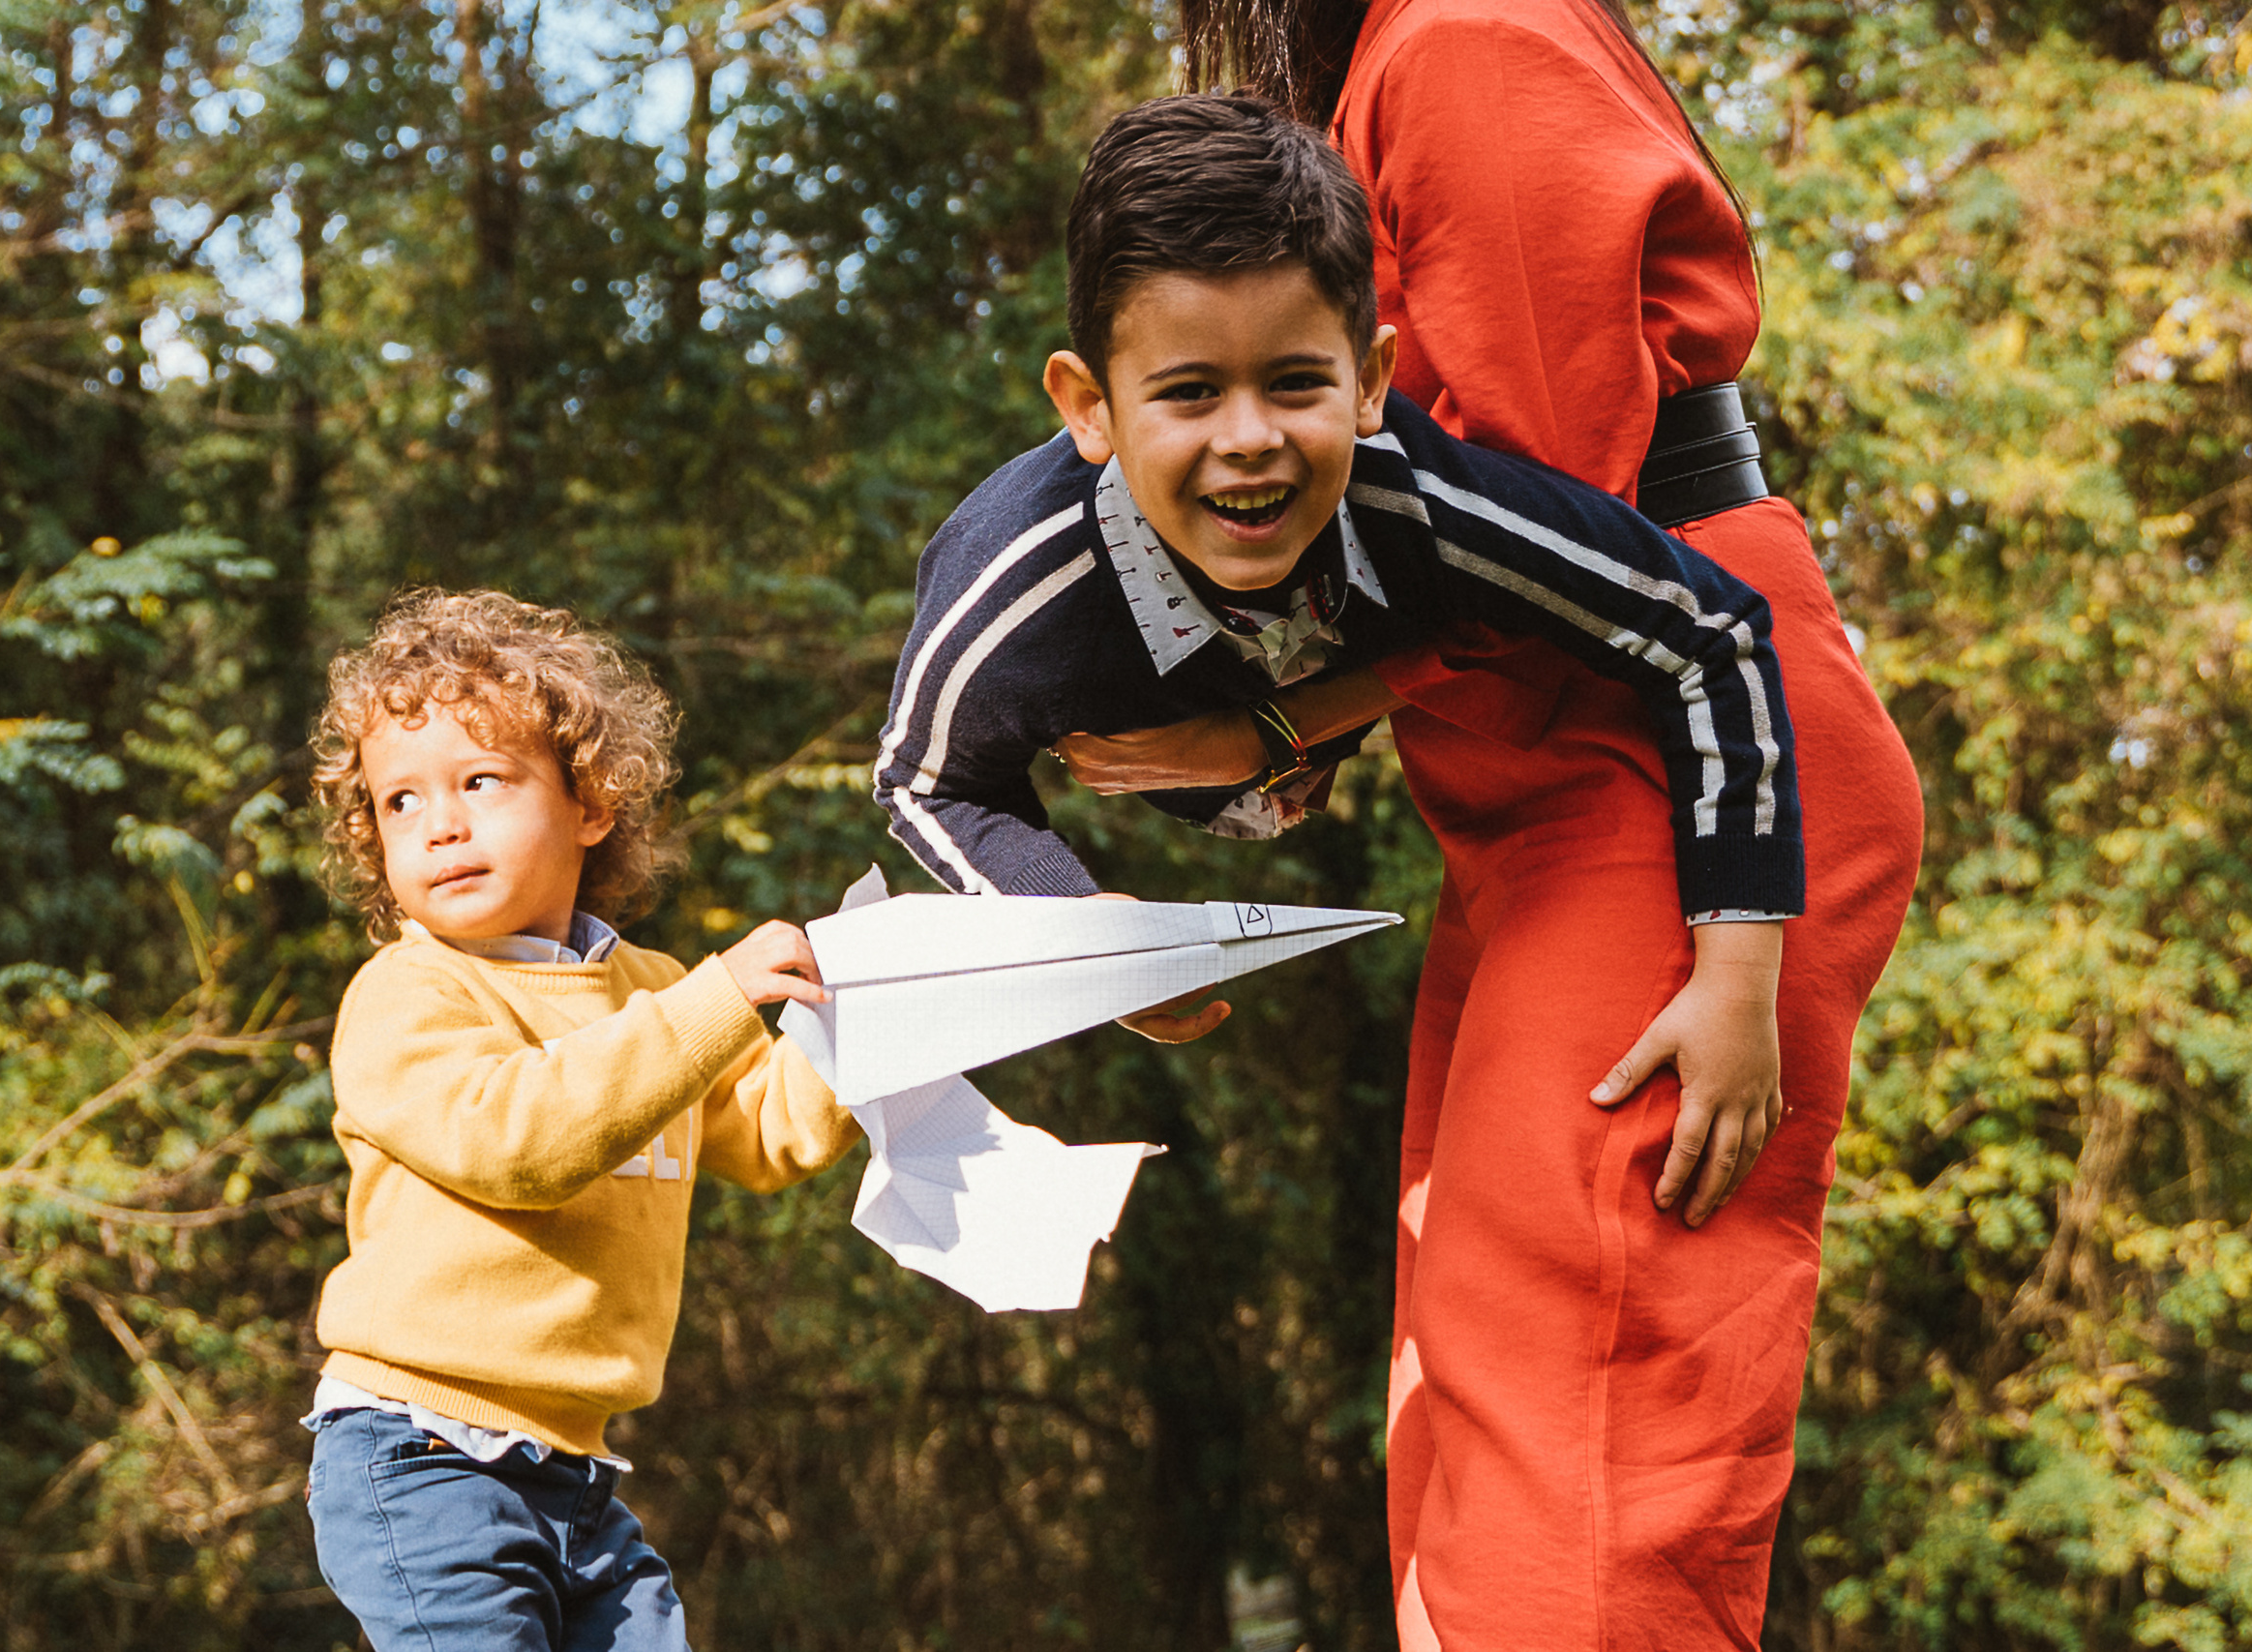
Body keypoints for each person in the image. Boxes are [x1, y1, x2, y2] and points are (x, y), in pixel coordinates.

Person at [1060, 5, 1933, 1644]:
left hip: (1676, 770)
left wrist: (1276, 716)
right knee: (1472, 1387)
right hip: (1539, 785)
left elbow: (1556, 527)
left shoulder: (1466, 36)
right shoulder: (1409, 48)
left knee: (1589, 1436)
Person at [874, 96, 1801, 1225]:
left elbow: (1710, 633)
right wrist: (1088, 944)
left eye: (1295, 383)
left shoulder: (1422, 500)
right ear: (1090, 407)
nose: (1249, 436)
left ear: (1369, 380)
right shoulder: (1019, 594)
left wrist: (1738, 984)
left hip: (1364, 670)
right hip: (1152, 711)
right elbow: (921, 782)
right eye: (1188, 392)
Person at [301, 589, 859, 1652]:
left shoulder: (644, 991)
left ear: (590, 804)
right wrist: (719, 997)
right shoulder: (409, 994)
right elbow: (522, 1143)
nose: (441, 825)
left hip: (576, 1473)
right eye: (398, 803)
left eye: (480, 781)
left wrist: (883, 1032)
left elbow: (770, 1132)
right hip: (421, 1453)